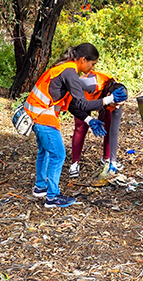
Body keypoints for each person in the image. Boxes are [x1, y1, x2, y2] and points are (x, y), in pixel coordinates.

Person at [25, 43, 127, 208]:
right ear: (83, 59)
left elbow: (73, 106)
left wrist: (89, 120)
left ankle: (40, 187)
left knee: (44, 151)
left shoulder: (65, 69)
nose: (92, 68)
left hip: (35, 114)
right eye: (92, 64)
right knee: (58, 155)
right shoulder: (70, 73)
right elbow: (83, 103)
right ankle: (52, 197)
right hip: (42, 117)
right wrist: (109, 100)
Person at [68, 68, 126, 178]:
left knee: (108, 126)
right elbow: (71, 88)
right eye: (116, 104)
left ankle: (107, 159)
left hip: (104, 101)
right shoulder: (90, 83)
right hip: (83, 99)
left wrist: (113, 161)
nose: (118, 107)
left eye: (120, 104)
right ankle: (74, 163)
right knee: (81, 127)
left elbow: (114, 132)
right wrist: (88, 119)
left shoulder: (118, 97)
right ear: (109, 95)